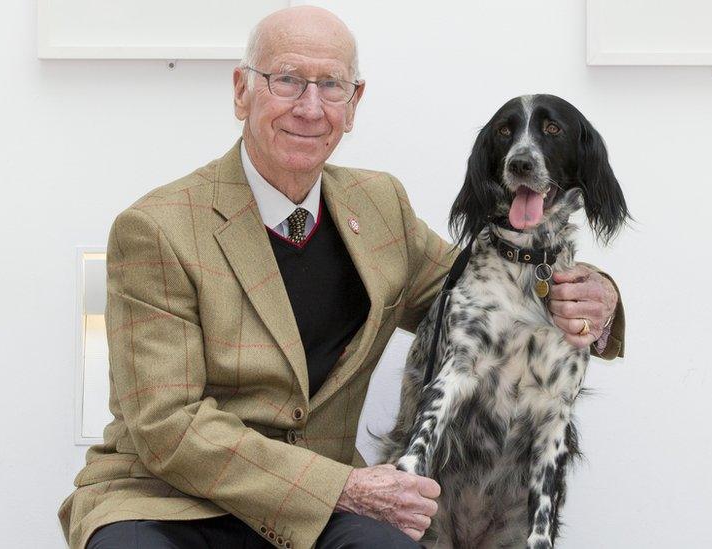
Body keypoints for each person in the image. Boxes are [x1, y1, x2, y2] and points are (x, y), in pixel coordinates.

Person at [58, 6, 625, 549]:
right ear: (240, 90)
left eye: (331, 85)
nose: (310, 107)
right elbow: (168, 427)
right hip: (169, 502)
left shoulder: (380, 206)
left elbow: (480, 290)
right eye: (286, 80)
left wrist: (598, 294)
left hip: (322, 513)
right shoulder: (156, 229)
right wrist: (344, 487)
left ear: (353, 105)